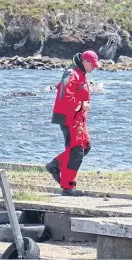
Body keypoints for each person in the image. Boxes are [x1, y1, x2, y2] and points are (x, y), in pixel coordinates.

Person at [46, 50, 100, 196]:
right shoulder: (72, 73)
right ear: (85, 62)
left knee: (85, 147)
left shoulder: (79, 73)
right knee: (76, 151)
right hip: (69, 118)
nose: (94, 68)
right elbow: (64, 97)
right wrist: (81, 105)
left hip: (78, 118)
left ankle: (55, 165)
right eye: (93, 65)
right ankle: (67, 186)